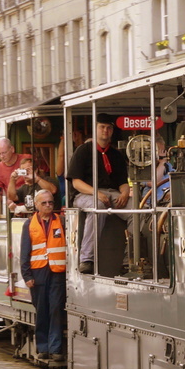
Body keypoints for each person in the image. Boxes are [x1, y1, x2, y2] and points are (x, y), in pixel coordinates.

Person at [68, 114, 132, 273]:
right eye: (102, 127)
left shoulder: (116, 155)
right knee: (99, 206)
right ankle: (87, 259)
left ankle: (130, 258)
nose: (105, 130)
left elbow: (123, 182)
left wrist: (125, 193)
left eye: (109, 127)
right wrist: (96, 193)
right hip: (84, 194)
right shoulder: (83, 150)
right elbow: (76, 182)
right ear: (95, 129)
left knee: (136, 211)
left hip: (112, 193)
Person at [19, 189, 66, 366]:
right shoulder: (29, 224)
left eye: (51, 203)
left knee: (55, 309)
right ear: (37, 205)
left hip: (57, 272)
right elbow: (24, 251)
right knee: (42, 310)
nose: (48, 206)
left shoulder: (60, 221)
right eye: (44, 203)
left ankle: (55, 349)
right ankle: (43, 347)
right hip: (38, 272)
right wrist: (27, 275)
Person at [0, 138, 32, 206]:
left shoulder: (28, 159)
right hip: (15, 206)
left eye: (4, 153)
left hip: (33, 202)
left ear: (12, 149)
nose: (2, 156)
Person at [141, 136, 173, 206]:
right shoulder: (145, 167)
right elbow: (153, 182)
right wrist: (163, 162)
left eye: (163, 151)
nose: (162, 154)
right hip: (155, 204)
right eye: (159, 151)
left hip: (170, 201)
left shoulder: (168, 165)